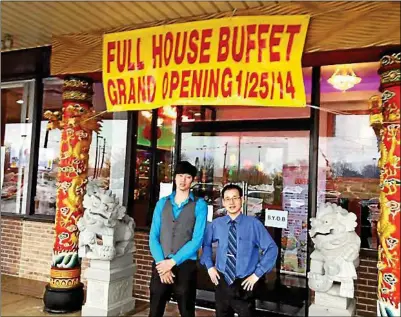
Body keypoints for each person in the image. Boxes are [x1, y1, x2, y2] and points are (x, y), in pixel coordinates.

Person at [201, 184, 278, 317]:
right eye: (228, 199)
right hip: (222, 280)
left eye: (235, 198)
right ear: (223, 202)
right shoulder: (217, 224)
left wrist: (257, 275)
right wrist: (209, 267)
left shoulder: (253, 224)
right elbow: (206, 244)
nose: (232, 202)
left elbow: (272, 249)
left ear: (242, 200)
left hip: (245, 283)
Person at [148, 161, 208, 317]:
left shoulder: (199, 205)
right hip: (161, 263)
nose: (183, 180)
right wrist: (162, 263)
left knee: (187, 311)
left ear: (193, 180)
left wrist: (172, 262)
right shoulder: (162, 203)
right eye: (180, 176)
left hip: (185, 265)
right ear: (174, 178)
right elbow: (154, 236)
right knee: (155, 311)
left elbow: (197, 240)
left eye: (188, 177)